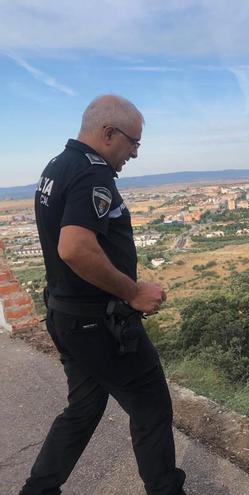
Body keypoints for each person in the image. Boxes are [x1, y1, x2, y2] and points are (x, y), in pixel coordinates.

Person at [21, 95, 186, 495]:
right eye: (133, 142)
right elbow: (74, 247)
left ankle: (38, 490)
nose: (134, 153)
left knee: (84, 408)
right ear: (108, 133)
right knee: (150, 407)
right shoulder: (92, 175)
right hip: (99, 322)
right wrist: (133, 292)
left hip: (66, 315)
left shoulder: (57, 166)